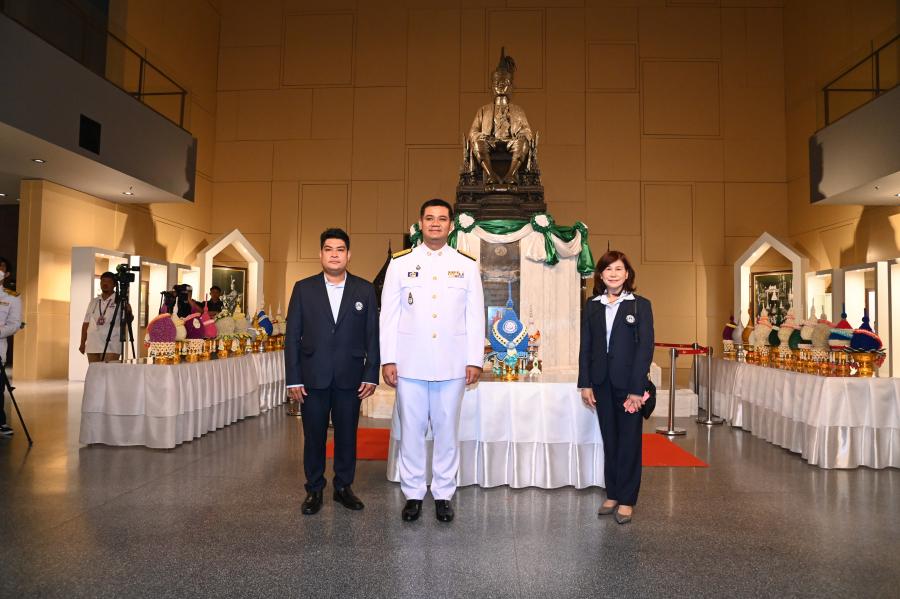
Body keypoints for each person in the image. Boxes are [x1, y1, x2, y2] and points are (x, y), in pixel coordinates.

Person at [380, 198, 485, 523]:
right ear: (420, 223)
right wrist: (388, 359)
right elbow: (389, 315)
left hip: (452, 365)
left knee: (446, 431)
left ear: (451, 225)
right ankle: (413, 494)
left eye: (441, 218)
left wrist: (474, 360)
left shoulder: (466, 264)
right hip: (410, 364)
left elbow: (475, 316)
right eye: (429, 218)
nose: (435, 223)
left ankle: (443, 494)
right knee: (411, 430)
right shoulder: (401, 263)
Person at [285, 228, 380, 516]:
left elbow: (373, 335)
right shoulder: (303, 289)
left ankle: (343, 487)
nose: (334, 255)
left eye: (340, 249)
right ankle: (314, 489)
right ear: (321, 254)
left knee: (347, 436)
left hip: (351, 378)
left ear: (349, 255)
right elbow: (292, 337)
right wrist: (293, 378)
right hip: (312, 377)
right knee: (314, 436)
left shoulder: (364, 289)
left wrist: (371, 373)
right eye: (329, 249)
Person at [578, 250, 654, 525]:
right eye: (608, 269)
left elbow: (645, 348)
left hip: (629, 385)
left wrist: (636, 388)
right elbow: (586, 346)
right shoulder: (593, 305)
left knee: (629, 442)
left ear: (627, 274)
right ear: (600, 275)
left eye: (618, 269)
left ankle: (627, 499)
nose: (613, 274)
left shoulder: (639, 305)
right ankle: (612, 493)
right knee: (609, 440)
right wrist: (585, 383)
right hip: (601, 383)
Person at [469, 48, 533, 184]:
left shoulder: (518, 111)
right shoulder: (483, 110)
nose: (500, 86)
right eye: (497, 82)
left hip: (510, 142)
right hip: (490, 142)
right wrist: (480, 136)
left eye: (504, 83)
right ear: (492, 86)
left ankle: (511, 175)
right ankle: (490, 175)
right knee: (478, 144)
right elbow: (473, 132)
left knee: (522, 144)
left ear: (510, 86)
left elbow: (527, 131)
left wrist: (522, 135)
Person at [79, 271, 132, 363]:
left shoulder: (119, 301)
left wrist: (129, 312)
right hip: (93, 345)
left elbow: (129, 320)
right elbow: (86, 323)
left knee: (108, 371)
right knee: (94, 371)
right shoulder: (94, 301)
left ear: (114, 285)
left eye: (108, 281)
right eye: (103, 281)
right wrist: (82, 343)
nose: (105, 284)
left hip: (111, 346)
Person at [0, 257, 22, 437]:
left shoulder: (12, 298)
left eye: (1, 268)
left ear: (6, 274)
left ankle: (0, 422)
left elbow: (14, 325)